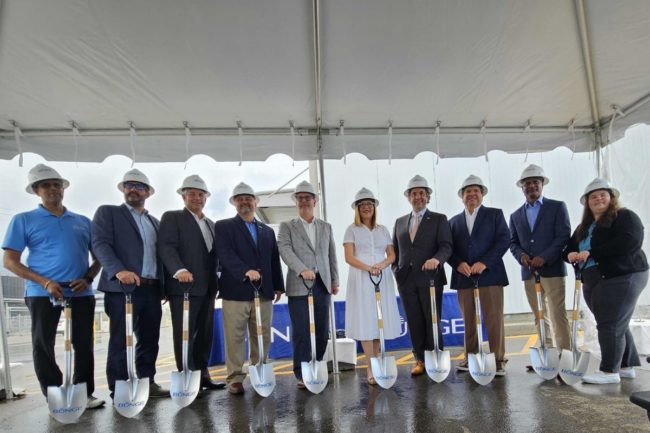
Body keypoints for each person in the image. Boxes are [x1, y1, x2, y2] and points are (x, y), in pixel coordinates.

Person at [2, 164, 104, 408]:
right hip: (42, 293)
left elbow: (100, 257)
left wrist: (88, 279)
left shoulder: (82, 221)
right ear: (36, 190)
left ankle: (83, 393)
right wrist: (45, 282)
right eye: (46, 185)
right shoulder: (24, 220)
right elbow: (9, 261)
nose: (53, 189)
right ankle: (55, 394)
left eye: (57, 185)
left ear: (63, 189)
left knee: (83, 345)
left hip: (80, 293)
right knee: (42, 344)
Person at [91, 169, 168, 398]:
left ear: (148, 192)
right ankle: (119, 386)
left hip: (151, 288)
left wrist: (163, 286)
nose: (133, 189)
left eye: (139, 186)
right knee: (120, 339)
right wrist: (118, 270)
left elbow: (160, 255)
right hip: (122, 288)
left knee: (149, 339)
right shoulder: (109, 213)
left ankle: (147, 381)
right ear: (123, 189)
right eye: (129, 185)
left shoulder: (155, 222)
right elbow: (100, 244)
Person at [564, 178, 648, 384]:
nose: (598, 199)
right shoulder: (585, 227)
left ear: (611, 198)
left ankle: (610, 371)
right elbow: (568, 248)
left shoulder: (624, 216)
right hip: (594, 278)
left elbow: (629, 241)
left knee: (609, 323)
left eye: (603, 194)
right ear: (587, 202)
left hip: (622, 275)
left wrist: (591, 253)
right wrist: (571, 255)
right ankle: (626, 366)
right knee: (617, 322)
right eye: (593, 196)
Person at [214, 182, 285, 395]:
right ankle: (235, 377)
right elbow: (224, 254)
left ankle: (259, 370)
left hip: (263, 292)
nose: (245, 202)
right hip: (235, 291)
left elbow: (274, 259)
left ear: (256, 202)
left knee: (262, 334)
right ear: (235, 202)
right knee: (235, 336)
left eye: (248, 198)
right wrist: (245, 270)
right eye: (240, 198)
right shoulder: (224, 226)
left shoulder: (266, 231)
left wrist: (278, 287)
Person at [158, 175, 224, 391]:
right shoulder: (172, 217)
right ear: (183, 196)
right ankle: (187, 375)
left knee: (205, 333)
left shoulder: (211, 224)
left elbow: (215, 256)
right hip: (184, 287)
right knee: (185, 333)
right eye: (192, 194)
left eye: (200, 194)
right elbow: (166, 247)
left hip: (207, 288)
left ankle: (203, 373)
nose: (197, 198)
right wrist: (179, 270)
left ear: (206, 198)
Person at [277, 180, 339, 389]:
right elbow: (285, 250)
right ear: (296, 202)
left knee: (321, 330)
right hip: (298, 285)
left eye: (307, 198)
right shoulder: (287, 226)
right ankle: (302, 372)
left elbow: (331, 254)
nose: (304, 201)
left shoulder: (326, 226)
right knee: (302, 330)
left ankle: (317, 366)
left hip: (322, 285)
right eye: (300, 198)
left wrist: (335, 280)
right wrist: (301, 269)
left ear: (315, 200)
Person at [509, 164, 571, 364]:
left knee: (557, 313)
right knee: (539, 315)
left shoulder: (557, 207)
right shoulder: (516, 215)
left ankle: (566, 355)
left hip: (552, 269)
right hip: (528, 272)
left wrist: (544, 257)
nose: (531, 186)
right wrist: (521, 257)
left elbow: (563, 236)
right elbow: (513, 243)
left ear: (542, 184)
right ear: (522, 188)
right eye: (527, 183)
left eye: (535, 182)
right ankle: (548, 352)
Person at [448, 175, 510, 376]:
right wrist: (458, 263)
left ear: (482, 194)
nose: (472, 194)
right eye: (468, 191)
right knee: (468, 320)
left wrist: (485, 262)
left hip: (490, 275)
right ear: (462, 197)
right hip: (464, 278)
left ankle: (498, 360)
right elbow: (448, 248)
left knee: (493, 319)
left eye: (476, 191)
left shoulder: (495, 215)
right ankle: (471, 357)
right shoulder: (453, 222)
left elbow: (503, 240)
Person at [392, 175, 453, 376]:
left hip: (430, 277)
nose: (417, 197)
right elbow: (395, 250)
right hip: (406, 280)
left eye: (421, 193)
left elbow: (446, 246)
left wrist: (437, 259)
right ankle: (419, 359)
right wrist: (396, 270)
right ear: (408, 197)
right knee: (414, 320)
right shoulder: (400, 222)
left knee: (432, 318)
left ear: (427, 196)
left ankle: (436, 357)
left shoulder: (438, 219)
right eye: (414, 193)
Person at [343, 188, 401, 385]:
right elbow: (349, 257)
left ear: (374, 208)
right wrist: (368, 267)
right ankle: (370, 366)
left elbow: (391, 255)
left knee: (378, 322)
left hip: (381, 277)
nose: (367, 208)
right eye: (363, 205)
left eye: (370, 205)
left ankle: (377, 363)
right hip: (361, 277)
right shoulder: (351, 229)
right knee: (366, 320)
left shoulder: (383, 229)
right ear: (357, 209)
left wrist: (382, 265)